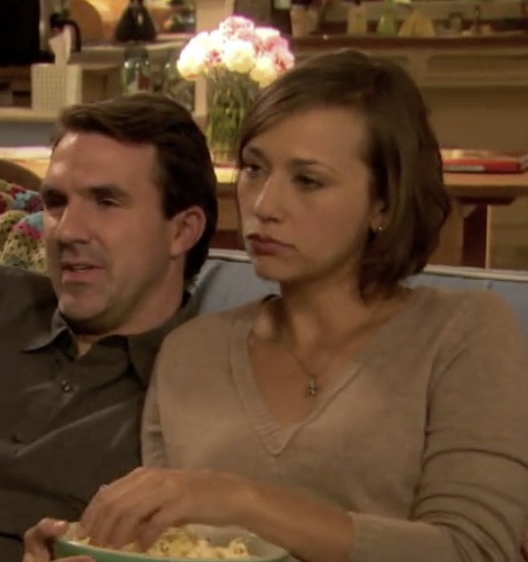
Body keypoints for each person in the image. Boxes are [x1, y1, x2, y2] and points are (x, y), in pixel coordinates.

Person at [27, 50, 528, 562]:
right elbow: (173, 550)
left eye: (307, 181)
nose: (264, 205)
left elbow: (476, 550)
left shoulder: (462, 332)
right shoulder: (191, 351)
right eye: (254, 169)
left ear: (383, 202)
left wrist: (241, 500)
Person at [0, 93, 217, 562]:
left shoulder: (199, 401)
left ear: (182, 230)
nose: (67, 231)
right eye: (55, 202)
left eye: (106, 202)